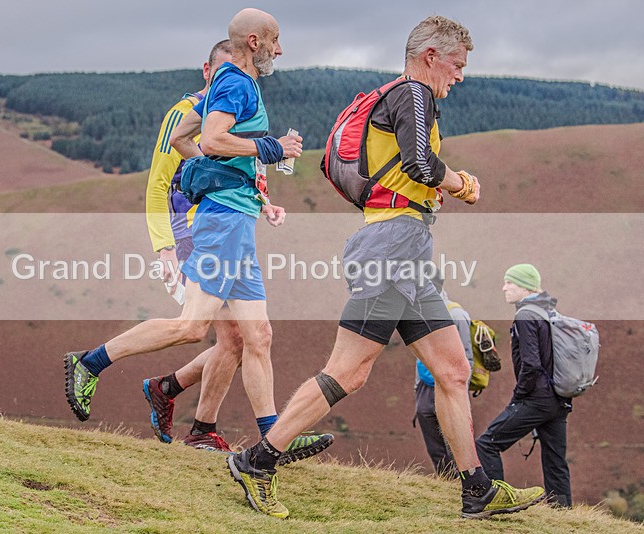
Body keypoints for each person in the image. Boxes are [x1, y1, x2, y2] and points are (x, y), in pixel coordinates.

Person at [226, 15, 545, 520]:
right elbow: (422, 164)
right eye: (457, 65)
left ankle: (476, 488)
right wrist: (461, 182)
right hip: (393, 248)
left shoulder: (401, 96)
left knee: (453, 369)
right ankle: (256, 462)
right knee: (348, 372)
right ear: (430, 57)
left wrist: (438, 190)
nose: (459, 76)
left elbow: (408, 168)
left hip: (401, 244)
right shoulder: (415, 93)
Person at [64, 7, 332, 465]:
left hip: (237, 221)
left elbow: (183, 137)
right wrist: (269, 148)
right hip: (221, 223)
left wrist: (219, 174)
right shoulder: (236, 82)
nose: (280, 50)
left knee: (259, 335)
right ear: (254, 41)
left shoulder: (223, 85)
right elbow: (210, 138)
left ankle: (274, 440)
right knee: (192, 326)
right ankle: (88, 363)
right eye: (275, 40)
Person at [140, 39, 243, 453]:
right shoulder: (183, 115)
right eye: (222, 73)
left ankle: (168, 391)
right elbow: (157, 185)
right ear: (206, 70)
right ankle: (95, 361)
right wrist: (164, 248)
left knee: (236, 339)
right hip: (189, 238)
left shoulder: (231, 115)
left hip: (222, 237)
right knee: (227, 335)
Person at [476, 264, 572, 508]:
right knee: (555, 458)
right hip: (560, 398)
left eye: (509, 283)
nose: (504, 288)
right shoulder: (550, 311)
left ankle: (497, 500)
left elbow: (531, 364)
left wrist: (518, 397)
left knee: (487, 443)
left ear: (524, 286)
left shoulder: (526, 315)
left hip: (536, 398)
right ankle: (562, 511)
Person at [414, 277, 473, 477]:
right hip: (425, 388)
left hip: (448, 387)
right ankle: (446, 485)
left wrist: (459, 392)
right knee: (436, 448)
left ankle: (466, 485)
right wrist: (418, 390)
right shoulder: (419, 312)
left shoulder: (456, 314)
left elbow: (467, 357)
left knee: (454, 443)